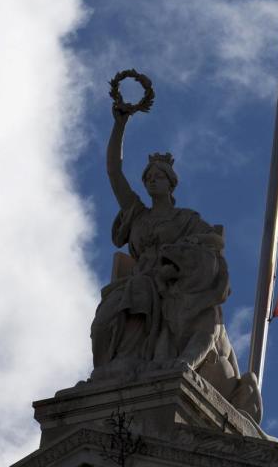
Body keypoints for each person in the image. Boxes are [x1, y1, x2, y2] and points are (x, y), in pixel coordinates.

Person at [90, 104, 218, 380]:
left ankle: (129, 360)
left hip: (169, 282)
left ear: (171, 184)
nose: (151, 182)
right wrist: (120, 125)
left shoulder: (185, 218)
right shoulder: (137, 213)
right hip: (138, 280)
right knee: (102, 321)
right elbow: (114, 171)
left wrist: (189, 246)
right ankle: (107, 368)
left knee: (140, 292)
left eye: (158, 177)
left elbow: (214, 240)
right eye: (148, 178)